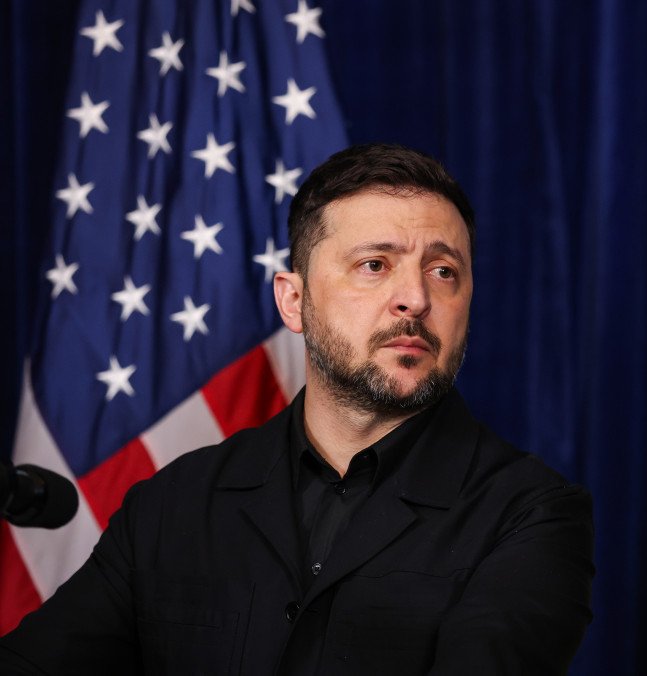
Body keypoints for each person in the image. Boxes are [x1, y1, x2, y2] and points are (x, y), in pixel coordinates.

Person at [0, 143, 594, 674]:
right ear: (293, 301)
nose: (415, 298)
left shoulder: (531, 515)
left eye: (444, 272)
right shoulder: (171, 503)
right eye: (375, 265)